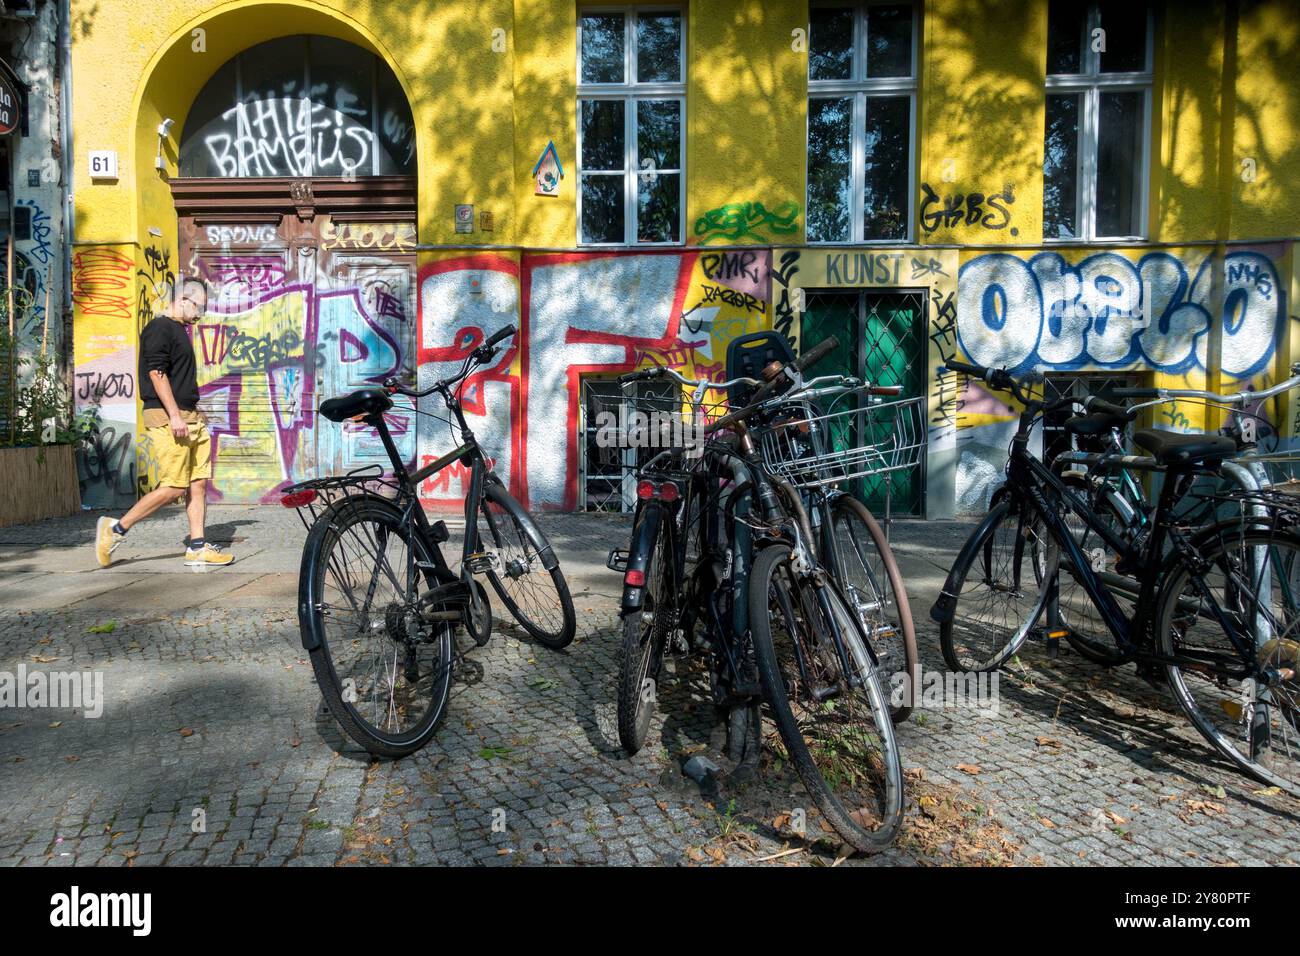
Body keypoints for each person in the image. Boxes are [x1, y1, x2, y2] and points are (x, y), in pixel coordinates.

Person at [94, 276, 234, 569]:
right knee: (174, 486)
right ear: (184, 299)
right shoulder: (159, 328)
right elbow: (157, 374)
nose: (200, 315)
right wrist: (174, 415)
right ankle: (116, 529)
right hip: (168, 416)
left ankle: (197, 547)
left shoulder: (180, 330)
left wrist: (193, 411)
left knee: (197, 483)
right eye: (199, 308)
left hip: (189, 415)